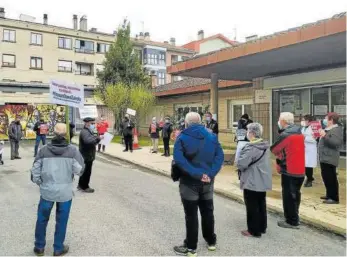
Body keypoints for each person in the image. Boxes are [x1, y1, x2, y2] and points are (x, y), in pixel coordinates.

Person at [172, 112, 224, 256]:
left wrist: (196, 174)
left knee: (191, 215)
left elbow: (179, 160)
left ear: (187, 123)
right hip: (207, 181)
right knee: (208, 211)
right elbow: (219, 156)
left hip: (189, 182)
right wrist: (210, 173)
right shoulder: (212, 136)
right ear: (200, 122)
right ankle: (211, 241)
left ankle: (191, 247)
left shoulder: (182, 137)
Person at [31, 123, 85, 256]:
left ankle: (39, 247)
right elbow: (80, 170)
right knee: (62, 220)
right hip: (65, 193)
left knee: (42, 219)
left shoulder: (43, 150)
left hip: (47, 192)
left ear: (53, 133)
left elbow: (34, 173)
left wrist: (41, 184)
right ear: (66, 133)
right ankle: (58, 248)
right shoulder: (73, 151)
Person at [270, 112, 305, 229]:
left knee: (288, 196)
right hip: (300, 168)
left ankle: (291, 221)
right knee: (296, 194)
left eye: (279, 120)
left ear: (283, 121)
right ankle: (295, 216)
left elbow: (274, 149)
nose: (278, 122)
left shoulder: (286, 135)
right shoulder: (300, 132)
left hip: (289, 169)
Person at [237, 123, 272, 238]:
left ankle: (253, 230)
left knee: (251, 206)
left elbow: (242, 163)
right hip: (262, 179)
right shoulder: (264, 145)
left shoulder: (251, 147)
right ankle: (262, 227)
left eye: (248, 131)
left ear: (251, 133)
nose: (247, 133)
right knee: (261, 203)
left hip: (251, 180)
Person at [318, 112, 343, 204]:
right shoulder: (328, 129)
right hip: (325, 157)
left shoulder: (336, 130)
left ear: (331, 120)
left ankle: (334, 197)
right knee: (326, 177)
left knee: (331, 178)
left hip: (330, 158)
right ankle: (329, 194)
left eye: (326, 118)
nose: (324, 120)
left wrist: (325, 135)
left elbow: (336, 143)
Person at [78, 117, 102, 193]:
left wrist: (97, 139)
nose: (93, 125)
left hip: (88, 154)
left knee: (84, 171)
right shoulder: (85, 132)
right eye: (92, 123)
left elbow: (93, 142)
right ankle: (85, 187)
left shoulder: (90, 131)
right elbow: (88, 141)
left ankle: (80, 185)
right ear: (87, 123)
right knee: (87, 172)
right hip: (86, 155)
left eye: (94, 123)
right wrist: (97, 139)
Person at [301, 115, 317, 187]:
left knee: (308, 166)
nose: (303, 121)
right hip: (304, 148)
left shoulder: (314, 128)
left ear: (309, 121)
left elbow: (314, 140)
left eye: (304, 120)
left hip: (310, 149)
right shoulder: (304, 127)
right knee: (305, 165)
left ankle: (309, 179)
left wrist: (304, 137)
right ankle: (309, 177)